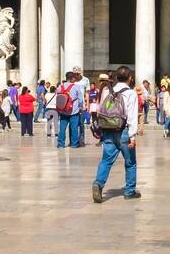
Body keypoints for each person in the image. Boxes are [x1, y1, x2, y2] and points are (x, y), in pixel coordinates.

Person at [91, 65, 141, 203]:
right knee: (130, 163)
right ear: (130, 78)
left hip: (108, 130)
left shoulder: (107, 90)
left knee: (106, 160)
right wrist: (132, 135)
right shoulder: (130, 93)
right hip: (124, 130)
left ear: (116, 77)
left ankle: (98, 183)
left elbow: (100, 110)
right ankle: (130, 191)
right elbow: (132, 116)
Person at [55, 71, 83, 148]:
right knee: (74, 128)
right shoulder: (76, 87)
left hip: (63, 111)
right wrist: (81, 108)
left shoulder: (60, 87)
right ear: (72, 78)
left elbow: (57, 97)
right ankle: (74, 144)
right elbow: (80, 100)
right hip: (73, 111)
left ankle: (61, 144)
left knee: (62, 128)